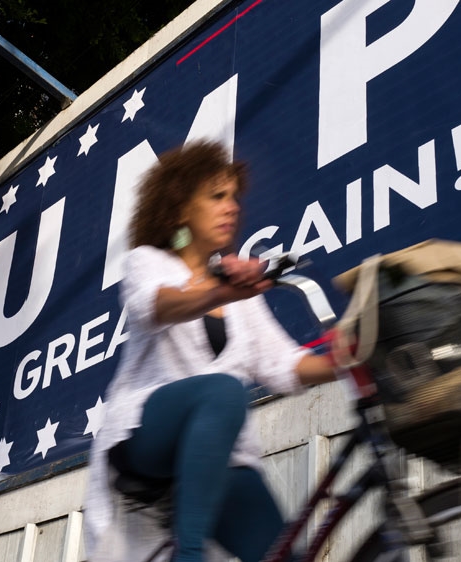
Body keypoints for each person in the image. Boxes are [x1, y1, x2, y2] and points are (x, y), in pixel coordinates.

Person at [84, 141, 337, 562]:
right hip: (148, 434)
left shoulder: (244, 298)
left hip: (222, 457)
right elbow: (157, 305)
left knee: (285, 555)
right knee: (222, 391)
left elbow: (284, 364)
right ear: (181, 208)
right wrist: (220, 290)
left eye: (235, 197)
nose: (233, 207)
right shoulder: (147, 262)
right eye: (217, 196)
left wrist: (350, 360)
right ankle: (191, 554)